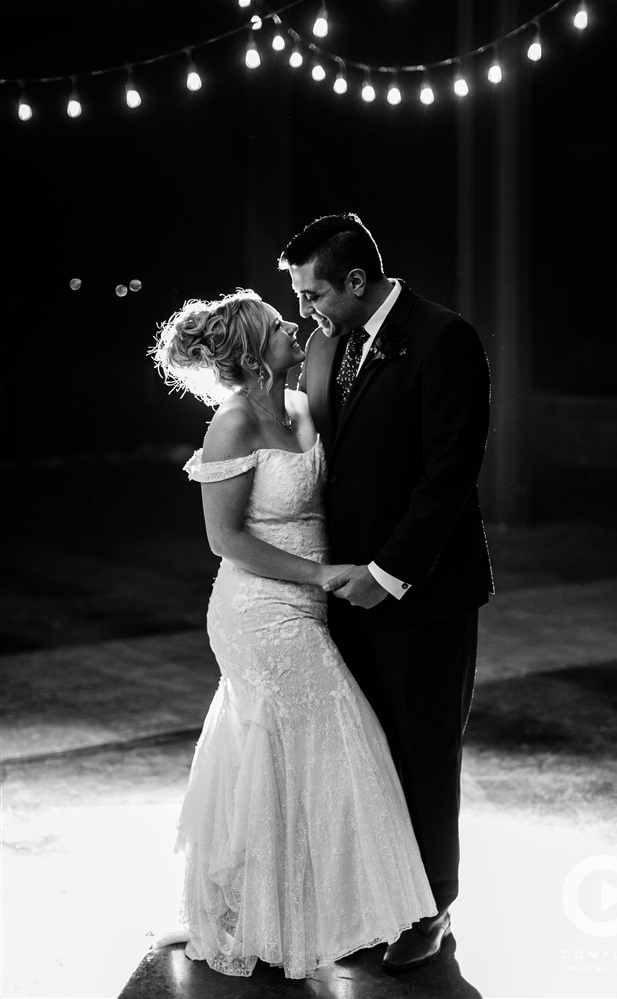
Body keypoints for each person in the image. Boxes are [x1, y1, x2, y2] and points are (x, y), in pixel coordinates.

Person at [151, 289, 437, 980]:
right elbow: (226, 539)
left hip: (309, 603)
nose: (295, 327)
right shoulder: (234, 423)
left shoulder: (301, 405)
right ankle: (276, 919)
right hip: (257, 609)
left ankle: (294, 909)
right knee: (331, 733)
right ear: (254, 353)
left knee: (282, 751)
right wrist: (321, 574)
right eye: (280, 326)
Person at [278, 213, 493, 972]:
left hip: (423, 592)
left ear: (358, 282)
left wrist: (388, 574)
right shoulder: (325, 344)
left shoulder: (445, 339)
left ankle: (430, 907)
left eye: (314, 295)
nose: (307, 311)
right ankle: (378, 895)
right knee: (366, 751)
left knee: (423, 751)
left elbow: (449, 475)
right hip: (341, 588)